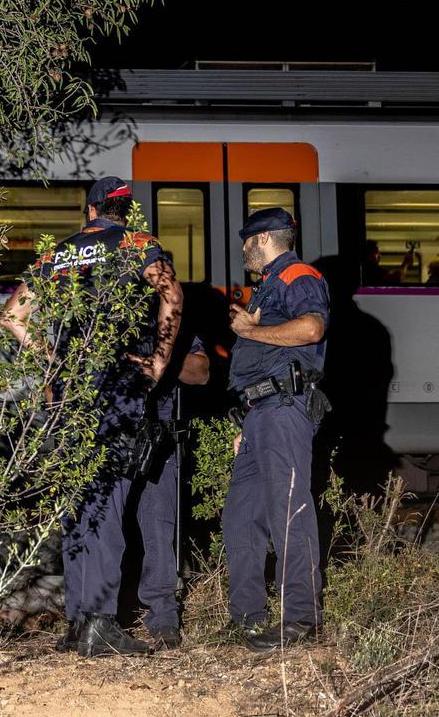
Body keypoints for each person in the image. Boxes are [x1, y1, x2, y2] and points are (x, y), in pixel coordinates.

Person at [0, 176, 182, 657]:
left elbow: (12, 316)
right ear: (125, 211)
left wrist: (52, 359)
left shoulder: (57, 254)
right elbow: (172, 296)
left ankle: (80, 622)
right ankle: (99, 622)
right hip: (116, 385)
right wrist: (161, 359)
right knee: (105, 497)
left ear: (91, 211)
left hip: (70, 390)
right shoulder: (138, 244)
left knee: (80, 499)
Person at [225, 207, 330, 652]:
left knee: (290, 512)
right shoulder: (269, 284)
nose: (243, 250)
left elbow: (311, 328)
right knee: (241, 516)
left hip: (283, 406)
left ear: (264, 239)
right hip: (258, 414)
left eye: (247, 241)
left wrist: (252, 329)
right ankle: (249, 618)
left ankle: (301, 621)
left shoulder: (297, 275)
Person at [136, 335, 209, 651]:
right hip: (104, 435)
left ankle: (163, 617)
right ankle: (94, 617)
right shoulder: (99, 307)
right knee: (101, 531)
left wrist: (156, 363)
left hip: (157, 439)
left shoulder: (170, 316)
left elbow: (202, 370)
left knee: (158, 525)